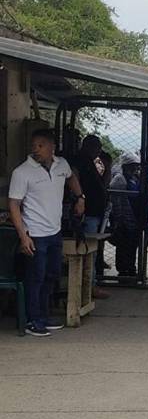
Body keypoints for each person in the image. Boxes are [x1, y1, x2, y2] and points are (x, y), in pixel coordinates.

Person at [8, 129, 86, 336]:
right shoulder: (22, 172)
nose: (36, 149)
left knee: (51, 275)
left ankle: (43, 315)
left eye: (41, 145)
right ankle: (32, 320)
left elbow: (72, 177)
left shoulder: (62, 165)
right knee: (35, 278)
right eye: (34, 145)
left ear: (53, 147)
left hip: (55, 231)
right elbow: (14, 204)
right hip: (35, 233)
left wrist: (80, 197)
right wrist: (23, 236)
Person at [75, 135, 111, 299]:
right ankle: (89, 285)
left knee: (92, 249)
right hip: (87, 212)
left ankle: (89, 284)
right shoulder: (81, 162)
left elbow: (102, 185)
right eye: (97, 147)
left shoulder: (90, 163)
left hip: (94, 211)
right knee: (89, 250)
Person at [109, 152, 147, 278]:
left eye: (137, 165)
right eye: (132, 165)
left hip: (135, 217)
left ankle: (131, 268)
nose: (135, 168)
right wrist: (118, 219)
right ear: (125, 166)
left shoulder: (135, 178)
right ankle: (123, 271)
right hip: (124, 218)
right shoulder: (120, 179)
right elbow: (116, 201)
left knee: (132, 245)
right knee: (123, 245)